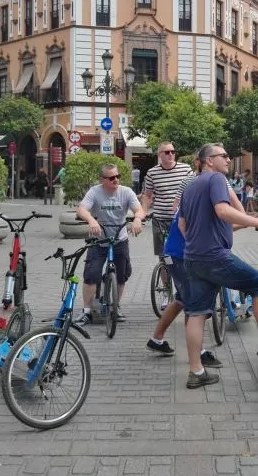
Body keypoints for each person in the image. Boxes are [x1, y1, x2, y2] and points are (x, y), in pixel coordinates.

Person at [179, 143, 258, 389]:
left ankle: (197, 372)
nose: (228, 159)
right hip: (215, 257)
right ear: (208, 161)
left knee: (196, 314)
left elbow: (183, 226)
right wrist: (257, 224)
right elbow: (223, 210)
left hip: (192, 257)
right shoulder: (215, 179)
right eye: (223, 156)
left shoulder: (190, 186)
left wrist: (208, 236)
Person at [146, 154, 244, 365]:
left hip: (176, 255)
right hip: (180, 256)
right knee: (194, 304)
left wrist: (243, 222)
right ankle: (198, 354)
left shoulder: (196, 198)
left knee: (183, 298)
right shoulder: (199, 201)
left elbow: (225, 222)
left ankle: (157, 338)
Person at [75, 163, 146, 324]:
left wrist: (137, 219)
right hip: (98, 240)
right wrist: (92, 220)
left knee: (121, 276)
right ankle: (87, 310)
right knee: (91, 274)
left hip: (119, 239)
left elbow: (139, 210)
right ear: (102, 179)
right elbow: (81, 210)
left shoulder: (126, 192)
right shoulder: (95, 191)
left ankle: (115, 306)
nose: (116, 180)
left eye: (117, 176)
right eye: (111, 177)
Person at [140, 142, 193, 309]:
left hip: (182, 220)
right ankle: (167, 292)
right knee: (165, 258)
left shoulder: (185, 169)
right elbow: (147, 195)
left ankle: (186, 290)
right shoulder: (152, 173)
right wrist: (141, 214)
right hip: (161, 220)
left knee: (184, 256)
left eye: (173, 151)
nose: (171, 154)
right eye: (167, 152)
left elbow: (193, 191)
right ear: (159, 155)